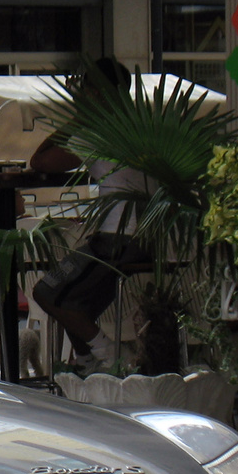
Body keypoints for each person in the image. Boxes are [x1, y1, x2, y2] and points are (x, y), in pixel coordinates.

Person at [28, 58, 147, 374]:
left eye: (82, 90)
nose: (77, 95)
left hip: (116, 239)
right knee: (73, 303)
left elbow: (40, 161)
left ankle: (110, 356)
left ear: (95, 94)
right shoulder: (143, 124)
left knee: (45, 292)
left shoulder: (97, 130)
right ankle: (86, 361)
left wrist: (77, 120)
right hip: (146, 236)